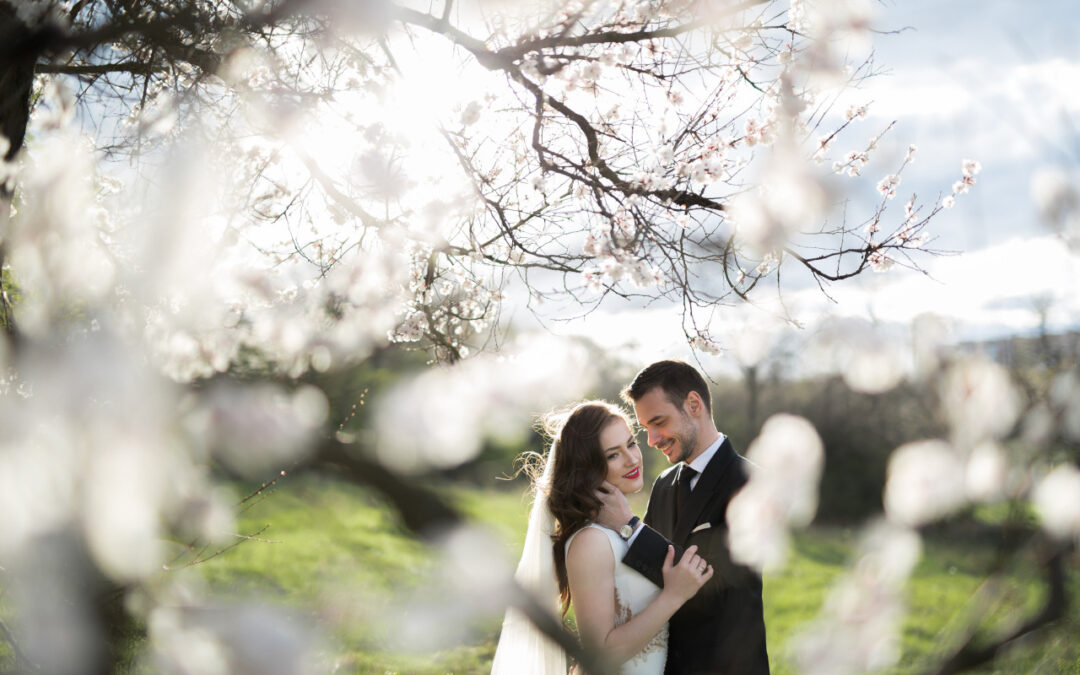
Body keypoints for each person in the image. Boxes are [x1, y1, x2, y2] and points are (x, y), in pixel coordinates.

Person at [491, 400, 713, 675]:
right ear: (588, 468)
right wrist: (672, 597)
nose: (632, 459)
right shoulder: (591, 541)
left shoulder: (619, 531)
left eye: (631, 444)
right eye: (613, 455)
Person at [595, 360, 770, 674]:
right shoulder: (664, 484)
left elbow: (711, 582)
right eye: (645, 428)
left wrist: (629, 526)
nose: (651, 439)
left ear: (693, 405)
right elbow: (647, 577)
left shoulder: (752, 483)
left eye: (658, 422)